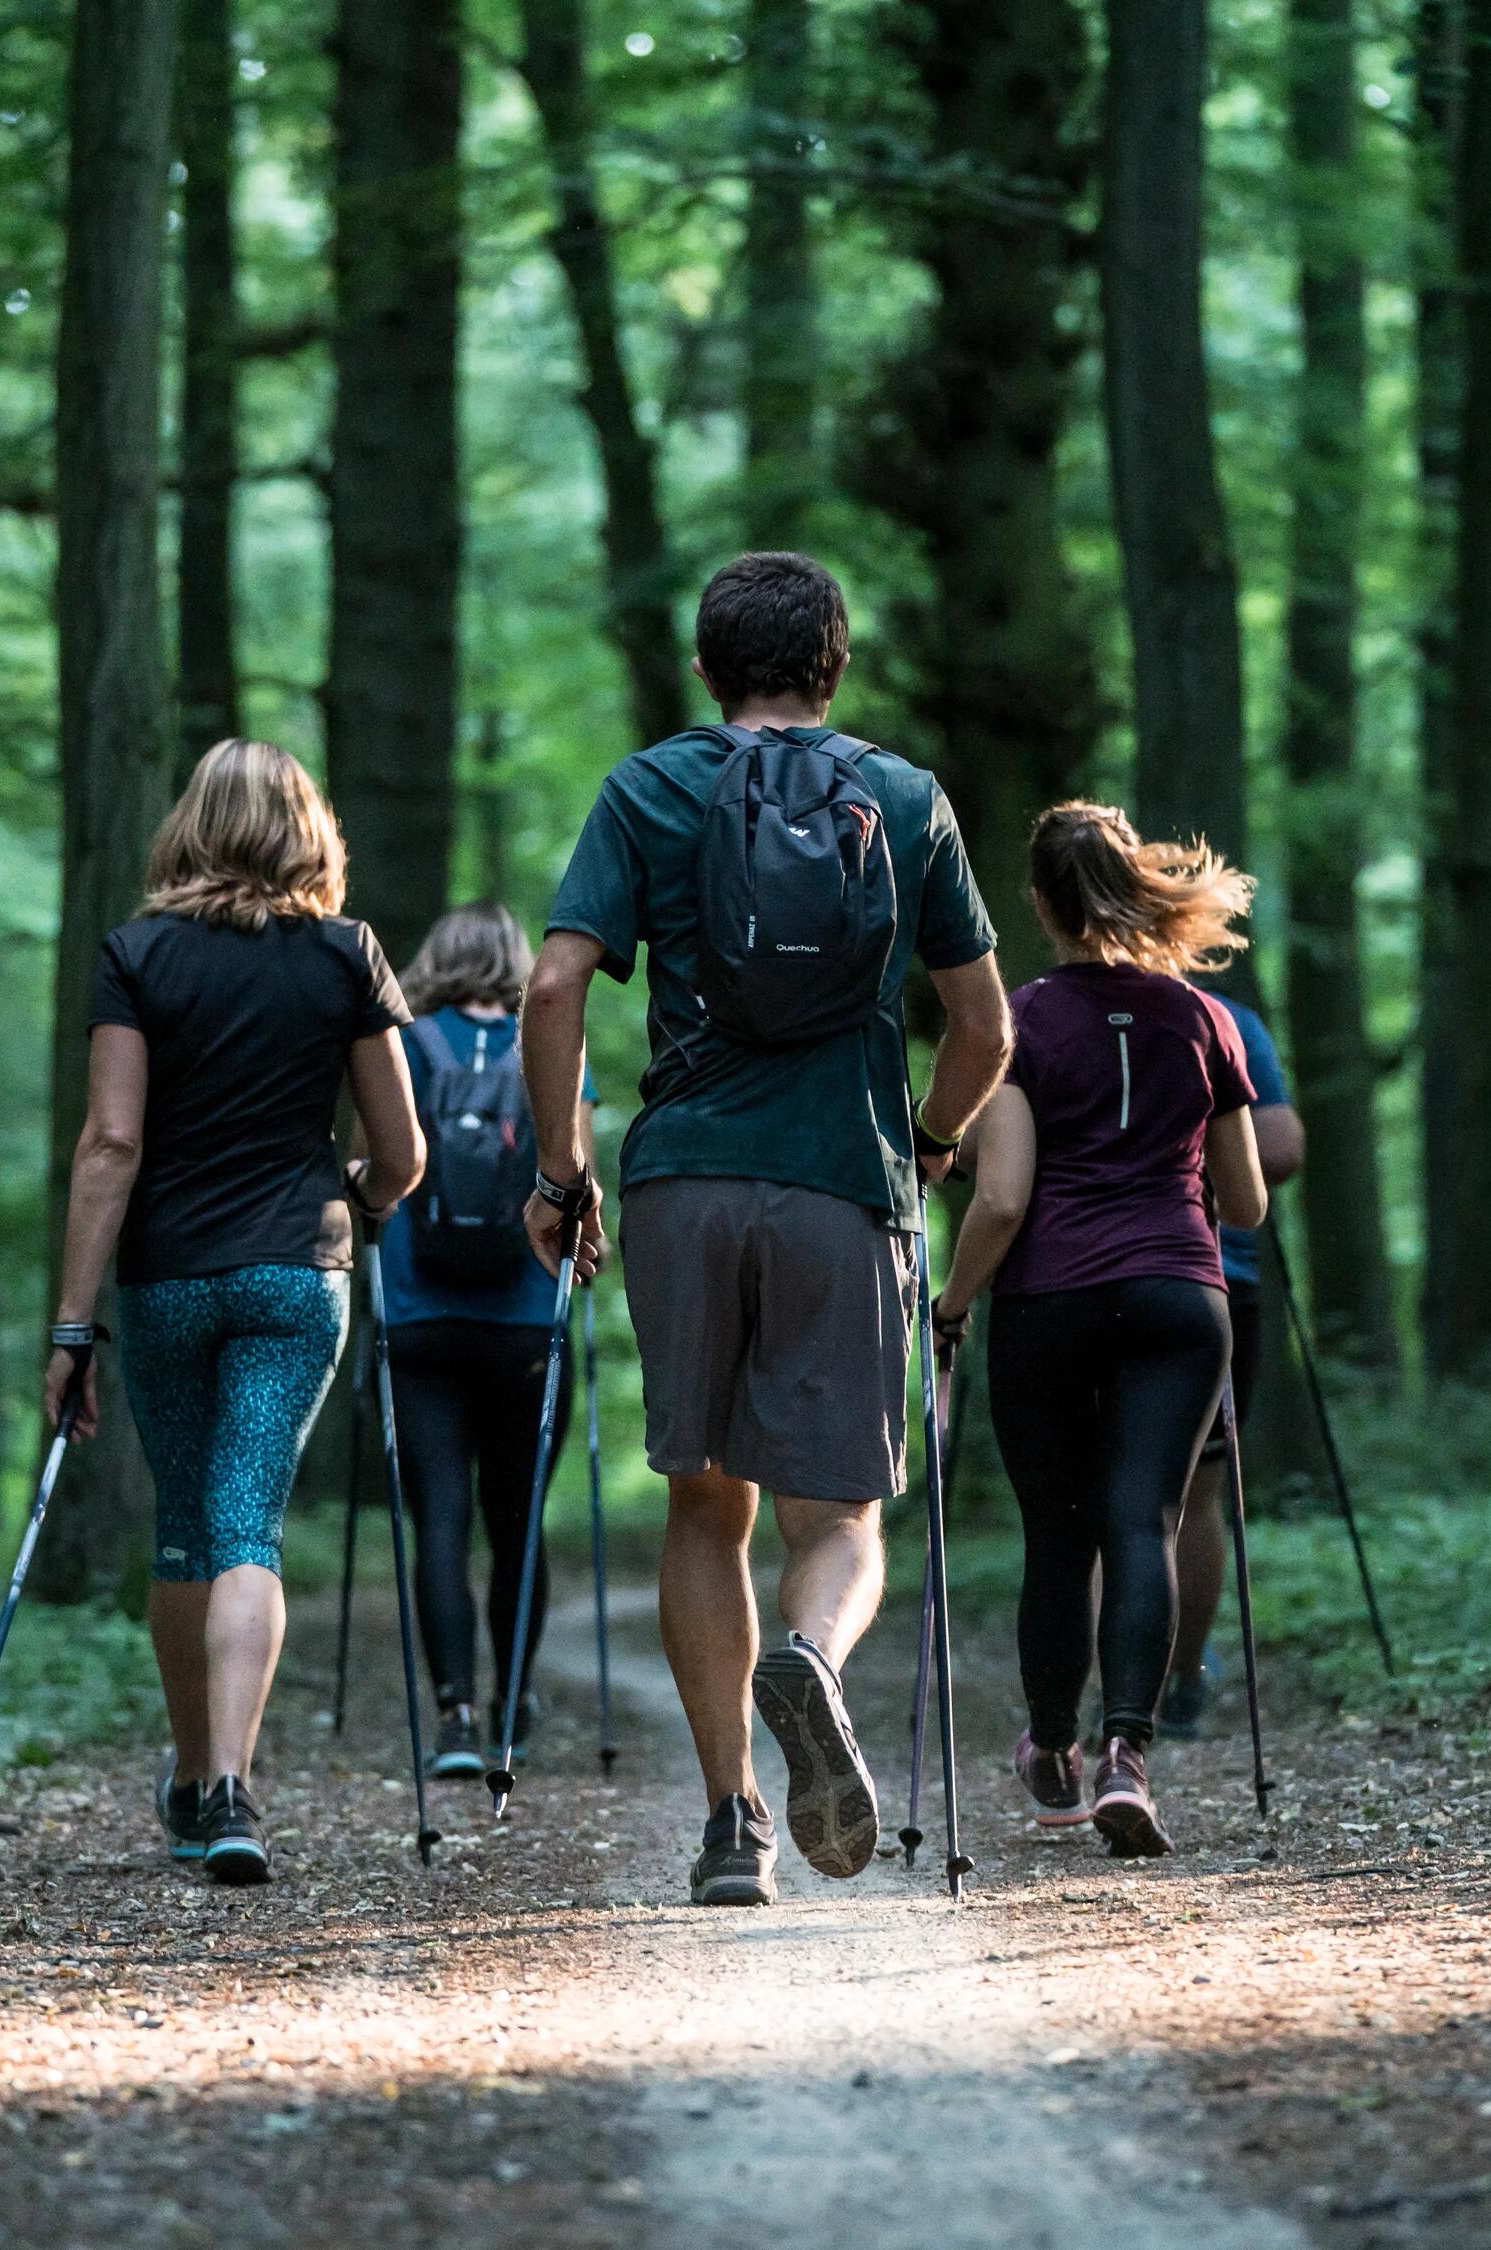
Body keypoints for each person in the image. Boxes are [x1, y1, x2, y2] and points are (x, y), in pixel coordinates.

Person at [519, 551, 1013, 1907]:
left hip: (684, 1176)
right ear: (836, 664)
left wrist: (563, 1174)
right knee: (840, 1507)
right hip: (840, 1179)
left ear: (705, 667)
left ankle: (734, 1819)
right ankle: (813, 1656)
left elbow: (556, 979)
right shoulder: (906, 797)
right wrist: (925, 1144)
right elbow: (987, 1027)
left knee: (703, 1499)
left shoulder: (650, 786)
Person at [47, 738, 425, 1885]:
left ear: (190, 830)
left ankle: (194, 1770)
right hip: (293, 1276)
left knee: (184, 1530)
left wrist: (72, 1323)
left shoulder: (137, 955)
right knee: (246, 1525)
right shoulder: (346, 955)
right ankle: (230, 1791)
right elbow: (399, 1150)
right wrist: (357, 1201)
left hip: (166, 1279)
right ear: (309, 833)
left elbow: (113, 1141)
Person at [933, 801, 1266, 1859]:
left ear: (1038, 904)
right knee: (1146, 1523)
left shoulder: (1020, 1021)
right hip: (1179, 1299)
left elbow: (1000, 1201)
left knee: (1059, 1536)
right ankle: (1132, 1754)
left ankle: (1054, 1756)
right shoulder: (1205, 1022)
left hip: (1052, 1301)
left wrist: (950, 1304)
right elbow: (1247, 1200)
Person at [378, 902, 599, 1779]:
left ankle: (456, 1716)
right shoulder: (544, 1047)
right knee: (518, 1524)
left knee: (439, 1516)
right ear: (513, 964)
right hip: (524, 1322)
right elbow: (575, 1174)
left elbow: (375, 1169)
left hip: (420, 1317)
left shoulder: (401, 1042)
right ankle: (511, 1704)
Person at [1159, 992, 1305, 1737]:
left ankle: (1143, 1690)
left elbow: (1280, 1149)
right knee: (1191, 1491)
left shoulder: (1038, 1011)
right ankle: (1167, 1682)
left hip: (1087, 1279)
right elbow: (1277, 1150)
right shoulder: (1225, 1021)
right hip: (1209, 1278)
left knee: (1128, 1490)